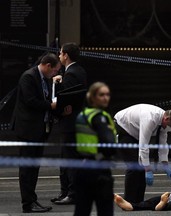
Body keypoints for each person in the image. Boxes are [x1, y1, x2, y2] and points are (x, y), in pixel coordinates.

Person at [12, 53, 61, 213]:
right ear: (47, 65)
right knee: (27, 168)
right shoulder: (29, 77)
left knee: (34, 166)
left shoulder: (43, 78)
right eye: (54, 70)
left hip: (38, 129)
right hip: (28, 129)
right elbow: (30, 101)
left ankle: (32, 200)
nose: (54, 74)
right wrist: (50, 106)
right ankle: (28, 203)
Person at [114, 104, 171, 203]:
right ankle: (129, 201)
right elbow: (143, 145)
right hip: (124, 127)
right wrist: (148, 170)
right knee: (134, 166)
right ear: (167, 119)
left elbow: (163, 143)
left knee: (141, 166)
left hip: (135, 132)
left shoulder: (164, 121)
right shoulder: (150, 118)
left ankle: (138, 202)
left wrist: (165, 165)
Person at [51, 42, 87, 205]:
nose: (59, 56)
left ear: (66, 55)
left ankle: (72, 193)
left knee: (69, 158)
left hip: (70, 122)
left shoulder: (71, 73)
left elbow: (68, 98)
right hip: (75, 122)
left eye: (60, 53)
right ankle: (66, 191)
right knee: (66, 158)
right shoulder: (76, 71)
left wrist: (57, 110)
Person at [74, 82, 117, 216]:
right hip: (99, 169)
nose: (105, 98)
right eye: (101, 95)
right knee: (105, 211)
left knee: (81, 211)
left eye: (107, 94)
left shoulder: (82, 115)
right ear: (92, 97)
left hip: (82, 168)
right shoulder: (100, 117)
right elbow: (109, 145)